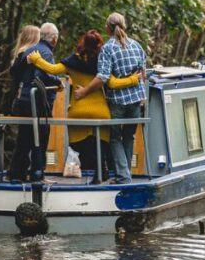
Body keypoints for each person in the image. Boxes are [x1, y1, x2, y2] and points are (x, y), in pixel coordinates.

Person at [26, 30, 140, 181]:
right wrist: (133, 79)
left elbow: (53, 69)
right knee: (101, 143)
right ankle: (101, 169)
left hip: (78, 111)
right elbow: (113, 83)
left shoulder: (74, 61)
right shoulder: (103, 61)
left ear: (82, 43)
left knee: (78, 144)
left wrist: (36, 59)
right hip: (101, 112)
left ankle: (99, 169)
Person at [75, 13, 146, 184]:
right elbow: (143, 74)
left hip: (117, 101)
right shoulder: (137, 46)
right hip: (136, 100)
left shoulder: (108, 48)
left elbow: (102, 77)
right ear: (124, 25)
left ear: (107, 28)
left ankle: (124, 177)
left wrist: (84, 92)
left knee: (115, 138)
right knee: (129, 136)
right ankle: (125, 175)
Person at [8, 22, 61, 180]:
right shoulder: (46, 53)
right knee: (41, 137)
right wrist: (58, 81)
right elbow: (41, 75)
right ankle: (37, 173)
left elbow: (15, 73)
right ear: (54, 39)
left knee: (24, 137)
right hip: (38, 102)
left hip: (24, 100)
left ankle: (16, 173)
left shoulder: (28, 51)